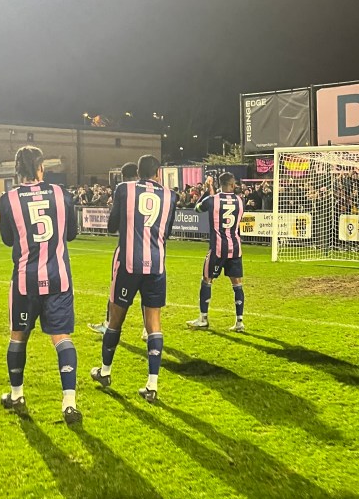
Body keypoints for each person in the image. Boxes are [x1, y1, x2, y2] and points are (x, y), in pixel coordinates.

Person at [0, 145, 82, 424]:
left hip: (25, 280)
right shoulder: (61, 194)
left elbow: (8, 240)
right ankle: (69, 402)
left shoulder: (8, 199)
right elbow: (71, 234)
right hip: (58, 278)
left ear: (17, 170)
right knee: (62, 337)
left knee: (18, 335)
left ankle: (16, 393)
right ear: (40, 168)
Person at [90, 156, 176, 402]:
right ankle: (152, 384)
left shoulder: (124, 189)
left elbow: (111, 226)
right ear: (158, 173)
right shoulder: (171, 196)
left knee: (115, 320)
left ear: (138, 172)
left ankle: (105, 372)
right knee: (153, 323)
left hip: (128, 263)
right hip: (157, 265)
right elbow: (166, 232)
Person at [88, 161, 149, 339]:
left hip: (128, 251)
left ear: (122, 177)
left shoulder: (123, 190)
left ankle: (108, 324)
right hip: (152, 251)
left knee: (116, 289)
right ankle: (148, 329)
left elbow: (112, 226)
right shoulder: (157, 192)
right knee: (147, 291)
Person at [186, 172, 246, 333]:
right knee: (237, 284)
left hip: (218, 249)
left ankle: (203, 318)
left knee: (207, 280)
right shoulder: (240, 201)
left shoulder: (212, 200)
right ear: (232, 185)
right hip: (235, 247)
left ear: (220, 184)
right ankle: (239, 321)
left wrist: (206, 191)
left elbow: (197, 209)